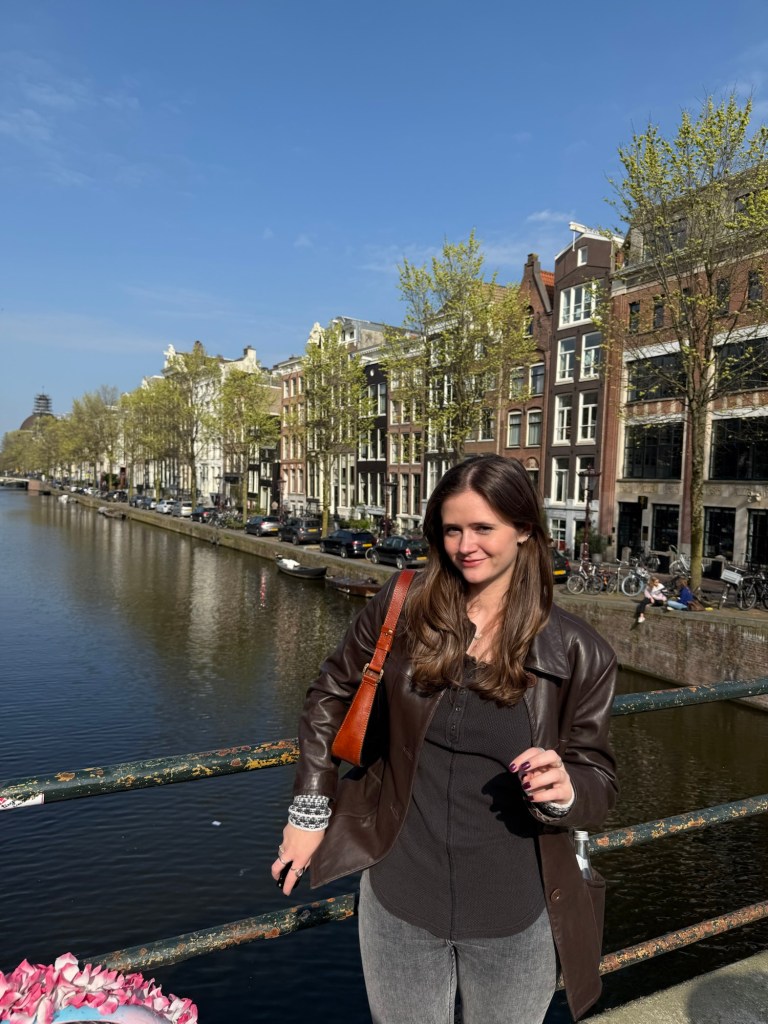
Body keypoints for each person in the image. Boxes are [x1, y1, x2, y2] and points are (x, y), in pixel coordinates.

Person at [272, 454, 618, 1023]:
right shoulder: (404, 605)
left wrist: (567, 790)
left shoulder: (579, 651)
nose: (466, 546)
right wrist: (311, 808)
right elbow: (331, 692)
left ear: (525, 530)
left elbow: (599, 782)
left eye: (484, 528)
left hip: (516, 909)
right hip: (400, 895)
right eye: (453, 529)